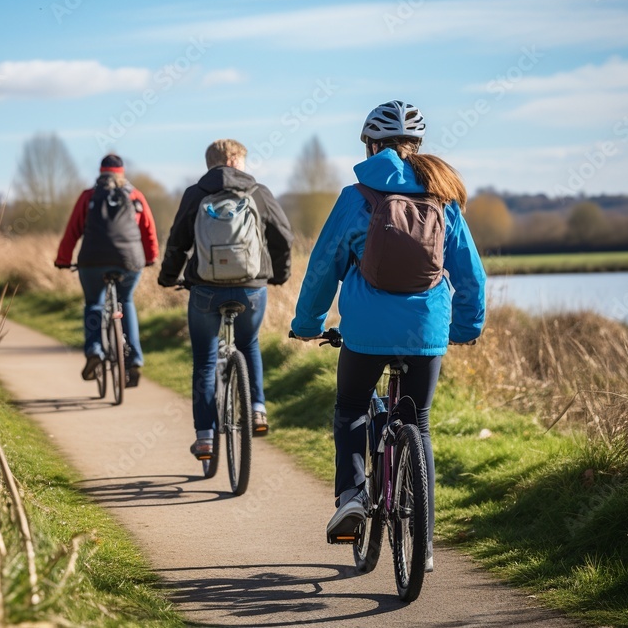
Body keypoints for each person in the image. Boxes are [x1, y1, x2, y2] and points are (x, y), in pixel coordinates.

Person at [290, 100, 486, 572]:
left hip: (364, 333)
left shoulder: (356, 196)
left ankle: (353, 494)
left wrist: (308, 325)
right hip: (426, 332)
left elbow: (323, 268)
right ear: (416, 146)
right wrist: (463, 328)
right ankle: (425, 541)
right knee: (417, 424)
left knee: (353, 408)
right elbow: (471, 276)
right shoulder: (444, 197)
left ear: (371, 146)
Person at [158, 139, 293, 457]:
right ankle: (258, 408)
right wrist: (278, 275)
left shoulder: (196, 193)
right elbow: (284, 236)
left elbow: (177, 242)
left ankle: (205, 437)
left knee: (205, 359)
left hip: (205, 288)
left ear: (212, 163)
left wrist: (167, 277)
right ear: (238, 161)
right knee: (249, 345)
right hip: (252, 288)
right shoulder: (258, 192)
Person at [56, 154, 159, 388]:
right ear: (121, 173)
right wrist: (151, 257)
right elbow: (148, 230)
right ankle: (133, 360)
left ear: (101, 172)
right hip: (129, 261)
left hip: (92, 260)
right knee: (126, 301)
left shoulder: (88, 196)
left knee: (94, 302)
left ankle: (94, 350)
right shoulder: (135, 195)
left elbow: (73, 230)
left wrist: (63, 259)